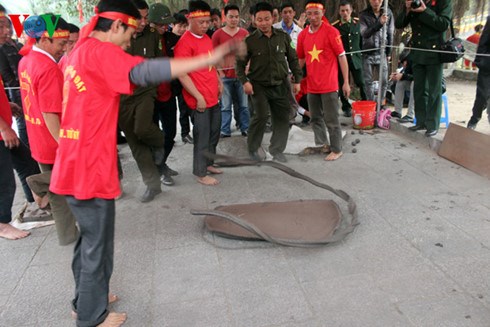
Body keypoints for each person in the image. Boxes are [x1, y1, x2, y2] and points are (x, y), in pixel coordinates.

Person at [48, 0, 240, 324]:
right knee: (97, 242)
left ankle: (85, 298)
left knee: (87, 240)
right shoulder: (100, 52)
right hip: (90, 165)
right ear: (117, 26)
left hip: (72, 158)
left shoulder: (80, 48)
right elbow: (144, 69)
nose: (129, 42)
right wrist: (207, 58)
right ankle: (91, 317)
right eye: (130, 31)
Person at [18, 14, 79, 246]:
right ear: (44, 40)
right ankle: (39, 182)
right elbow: (50, 113)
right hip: (53, 141)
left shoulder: (26, 61)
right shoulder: (48, 69)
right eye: (61, 43)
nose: (64, 49)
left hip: (38, 137)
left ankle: (68, 235)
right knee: (64, 188)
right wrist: (65, 145)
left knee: (59, 195)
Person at [236, 2, 302, 163]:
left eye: (266, 19)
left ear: (273, 18)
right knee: (261, 116)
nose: (264, 23)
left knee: (282, 118)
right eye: (259, 20)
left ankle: (277, 149)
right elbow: (239, 65)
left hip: (280, 84)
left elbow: (293, 59)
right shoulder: (249, 40)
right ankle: (253, 149)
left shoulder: (282, 37)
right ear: (254, 20)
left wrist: (297, 80)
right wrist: (245, 82)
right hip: (258, 86)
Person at [118, 0, 167, 203]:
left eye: (146, 17)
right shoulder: (115, 37)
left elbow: (157, 61)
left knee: (142, 128)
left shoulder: (153, 36)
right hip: (122, 96)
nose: (144, 22)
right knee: (135, 144)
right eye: (140, 18)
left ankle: (160, 142)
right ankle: (152, 185)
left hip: (146, 91)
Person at [175, 0, 224, 186]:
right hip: (199, 99)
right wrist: (198, 96)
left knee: (214, 133)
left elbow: (211, 64)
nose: (205, 26)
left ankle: (209, 163)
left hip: (213, 95)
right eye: (201, 22)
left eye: (207, 22)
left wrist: (219, 82)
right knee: (202, 137)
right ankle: (200, 172)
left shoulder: (207, 38)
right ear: (190, 19)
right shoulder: (184, 44)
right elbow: (182, 74)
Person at [297, 0, 350, 161]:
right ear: (305, 14)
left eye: (316, 13)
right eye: (310, 14)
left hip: (329, 85)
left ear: (323, 13)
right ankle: (322, 143)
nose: (313, 17)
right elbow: (300, 60)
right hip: (312, 85)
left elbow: (342, 57)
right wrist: (296, 79)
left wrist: (346, 82)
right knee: (315, 118)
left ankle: (337, 148)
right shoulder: (303, 35)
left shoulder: (331, 32)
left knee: (331, 118)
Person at [396, 0, 452, 137]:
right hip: (417, 52)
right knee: (419, 89)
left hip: (434, 52)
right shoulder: (415, 2)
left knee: (434, 90)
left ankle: (432, 124)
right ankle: (421, 121)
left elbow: (443, 24)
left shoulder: (444, 2)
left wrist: (425, 11)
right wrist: (407, 8)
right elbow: (399, 24)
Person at [0, 74, 38, 240]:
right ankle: (2, 224)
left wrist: (6, 106)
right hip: (2, 132)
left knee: (27, 162)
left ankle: (36, 203)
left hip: (4, 128)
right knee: (5, 179)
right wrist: (3, 128)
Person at [148, 3, 179, 186]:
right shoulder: (143, 40)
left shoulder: (172, 39)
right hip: (150, 96)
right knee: (154, 136)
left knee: (171, 133)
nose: (164, 27)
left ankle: (161, 163)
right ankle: (158, 169)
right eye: (160, 24)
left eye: (166, 24)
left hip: (169, 92)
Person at [212, 4, 249, 138]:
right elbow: (214, 55)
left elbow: (249, 54)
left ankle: (246, 128)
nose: (234, 19)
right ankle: (225, 130)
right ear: (225, 17)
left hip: (241, 76)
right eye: (231, 17)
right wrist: (220, 74)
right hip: (225, 76)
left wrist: (247, 68)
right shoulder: (217, 35)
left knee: (244, 105)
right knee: (225, 106)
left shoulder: (244, 33)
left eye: (236, 17)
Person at [332, 0, 367, 117]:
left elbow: (361, 42)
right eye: (342, 11)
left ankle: (366, 103)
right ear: (339, 12)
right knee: (343, 83)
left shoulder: (357, 24)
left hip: (356, 59)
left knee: (361, 82)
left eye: (347, 10)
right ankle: (346, 106)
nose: (345, 13)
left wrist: (359, 54)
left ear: (351, 11)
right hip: (342, 61)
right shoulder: (335, 27)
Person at [359, 0, 394, 103]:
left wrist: (388, 52)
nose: (376, 2)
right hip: (367, 52)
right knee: (368, 82)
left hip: (382, 52)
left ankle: (381, 104)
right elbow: (364, 33)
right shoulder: (363, 15)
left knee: (383, 81)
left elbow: (390, 33)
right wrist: (379, 23)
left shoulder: (388, 13)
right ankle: (371, 104)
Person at [467, 16, 489, 130]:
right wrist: (481, 62)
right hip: (488, 67)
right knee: (482, 96)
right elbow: (483, 42)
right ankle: (474, 119)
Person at [391, 51, 415, 122]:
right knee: (400, 83)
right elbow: (406, 75)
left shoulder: (415, 62)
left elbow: (418, 77)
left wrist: (403, 76)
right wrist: (397, 76)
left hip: (429, 85)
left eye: (403, 63)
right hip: (418, 84)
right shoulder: (409, 65)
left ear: (406, 61)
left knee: (415, 83)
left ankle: (410, 115)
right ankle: (397, 111)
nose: (403, 65)